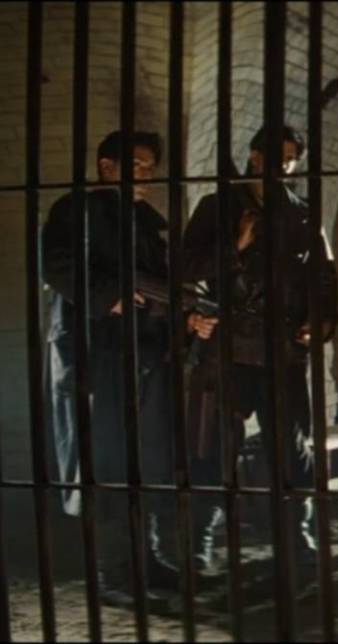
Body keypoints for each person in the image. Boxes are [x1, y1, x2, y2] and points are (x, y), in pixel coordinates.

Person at [41, 130, 207, 606]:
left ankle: (146, 561)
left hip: (145, 356)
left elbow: (161, 288)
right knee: (108, 465)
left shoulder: (145, 221)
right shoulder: (76, 210)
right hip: (96, 357)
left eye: (150, 167)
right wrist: (108, 296)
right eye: (136, 165)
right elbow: (57, 265)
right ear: (106, 166)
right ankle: (114, 576)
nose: (146, 175)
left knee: (146, 461)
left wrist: (185, 318)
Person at [182, 123, 338, 582]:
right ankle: (199, 542)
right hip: (227, 349)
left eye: (290, 160)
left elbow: (324, 276)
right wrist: (236, 246)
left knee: (291, 450)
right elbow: (186, 268)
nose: (282, 167)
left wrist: (322, 321)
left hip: (282, 351)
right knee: (214, 449)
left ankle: (297, 539)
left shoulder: (303, 213)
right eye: (275, 157)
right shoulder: (218, 207)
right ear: (254, 157)